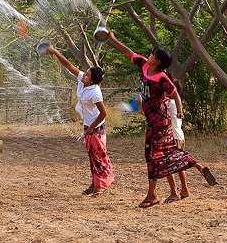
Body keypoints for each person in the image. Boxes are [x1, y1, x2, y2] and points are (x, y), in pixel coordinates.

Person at [105, 31, 217, 208]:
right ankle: (197, 167)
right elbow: (128, 52)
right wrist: (112, 39)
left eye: (152, 54)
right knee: (165, 154)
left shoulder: (162, 77)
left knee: (153, 157)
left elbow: (175, 94)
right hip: (154, 122)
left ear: (157, 61)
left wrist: (180, 111)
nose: (149, 55)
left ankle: (153, 194)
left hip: (160, 122)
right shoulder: (144, 66)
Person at [44, 44, 114, 196]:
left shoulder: (95, 92)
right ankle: (95, 183)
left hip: (96, 126)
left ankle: (100, 185)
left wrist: (91, 128)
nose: (84, 75)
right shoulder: (83, 83)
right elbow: (68, 65)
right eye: (85, 73)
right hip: (89, 124)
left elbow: (103, 113)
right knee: (92, 156)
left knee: (98, 156)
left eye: (87, 75)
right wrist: (55, 51)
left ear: (92, 80)